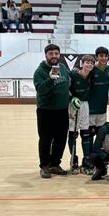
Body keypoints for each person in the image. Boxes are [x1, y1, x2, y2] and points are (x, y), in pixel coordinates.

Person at [33, 44, 70, 179]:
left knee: (61, 139)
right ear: (46, 55)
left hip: (62, 110)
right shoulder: (40, 71)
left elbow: (68, 83)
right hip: (46, 111)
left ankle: (55, 164)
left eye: (56, 53)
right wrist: (50, 79)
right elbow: (40, 89)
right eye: (51, 54)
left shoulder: (64, 68)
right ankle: (44, 166)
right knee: (45, 139)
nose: (54, 56)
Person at [68, 55, 94, 173]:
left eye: (91, 63)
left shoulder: (91, 75)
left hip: (85, 105)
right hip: (73, 105)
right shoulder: (73, 75)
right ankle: (74, 159)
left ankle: (86, 159)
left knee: (85, 132)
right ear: (81, 63)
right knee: (72, 133)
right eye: (87, 62)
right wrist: (71, 97)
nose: (89, 65)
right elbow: (66, 88)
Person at [88, 46, 109, 145]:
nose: (104, 58)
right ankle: (88, 158)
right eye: (101, 56)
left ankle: (98, 157)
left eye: (106, 56)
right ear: (96, 57)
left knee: (101, 136)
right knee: (89, 135)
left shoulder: (108, 69)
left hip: (102, 109)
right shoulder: (91, 69)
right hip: (91, 109)